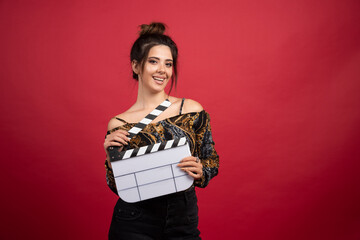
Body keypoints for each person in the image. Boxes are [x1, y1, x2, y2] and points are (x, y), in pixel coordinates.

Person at [103, 22, 219, 240]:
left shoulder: (191, 110)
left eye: (168, 64)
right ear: (136, 66)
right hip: (134, 219)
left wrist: (201, 169)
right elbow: (118, 186)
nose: (162, 70)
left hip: (182, 217)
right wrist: (111, 159)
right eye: (153, 62)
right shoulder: (118, 123)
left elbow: (211, 160)